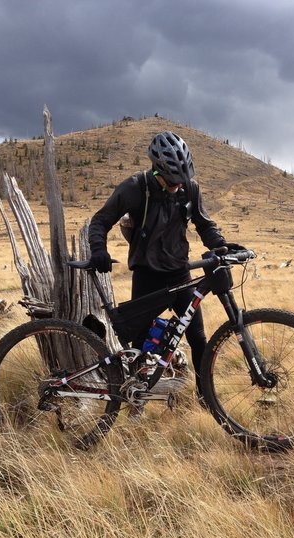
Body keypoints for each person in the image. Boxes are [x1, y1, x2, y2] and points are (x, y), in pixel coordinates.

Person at [88, 130, 245, 402]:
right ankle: (136, 400)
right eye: (172, 181)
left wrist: (220, 244)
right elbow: (100, 220)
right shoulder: (135, 188)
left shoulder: (189, 188)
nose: (177, 186)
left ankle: (205, 398)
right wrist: (99, 250)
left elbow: (204, 224)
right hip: (146, 275)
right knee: (138, 344)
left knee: (198, 338)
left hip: (180, 273)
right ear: (157, 169)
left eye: (181, 181)